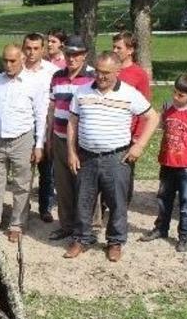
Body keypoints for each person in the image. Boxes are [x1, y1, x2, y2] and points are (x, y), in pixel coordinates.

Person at [64, 51, 159, 262]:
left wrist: (139, 146)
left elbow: (153, 117)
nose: (101, 76)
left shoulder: (129, 93)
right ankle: (80, 238)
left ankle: (115, 241)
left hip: (116, 157)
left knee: (117, 201)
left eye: (107, 72)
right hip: (86, 156)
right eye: (98, 71)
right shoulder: (82, 91)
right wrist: (71, 151)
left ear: (118, 71)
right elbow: (72, 122)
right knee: (83, 199)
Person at [0, 44, 47, 241]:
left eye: (12, 61)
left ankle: (17, 224)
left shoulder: (34, 82)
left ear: (22, 59)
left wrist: (39, 144)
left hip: (22, 139)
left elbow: (40, 115)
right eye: (5, 60)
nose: (8, 65)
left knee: (21, 185)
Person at [140, 75, 187, 252]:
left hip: (186, 165)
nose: (176, 97)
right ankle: (161, 228)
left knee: (185, 202)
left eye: (181, 95)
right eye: (175, 92)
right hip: (167, 162)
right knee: (163, 198)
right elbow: (163, 127)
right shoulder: (167, 107)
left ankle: (185, 235)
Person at [46, 36, 95, 241]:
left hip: (82, 141)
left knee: (85, 186)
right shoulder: (57, 76)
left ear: (84, 55)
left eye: (76, 55)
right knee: (63, 184)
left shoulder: (93, 77)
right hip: (59, 137)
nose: (72, 58)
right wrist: (49, 136)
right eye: (68, 54)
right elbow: (51, 107)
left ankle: (85, 228)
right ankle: (66, 225)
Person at [21, 32, 60, 224]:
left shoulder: (52, 71)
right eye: (28, 48)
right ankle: (22, 207)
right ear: (23, 48)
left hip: (46, 124)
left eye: (36, 48)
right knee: (24, 171)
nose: (31, 52)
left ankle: (45, 207)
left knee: (47, 171)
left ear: (43, 49)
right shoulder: (18, 69)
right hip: (24, 126)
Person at [113, 31, 151, 202]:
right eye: (113, 47)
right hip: (109, 131)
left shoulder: (139, 74)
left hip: (128, 135)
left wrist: (137, 138)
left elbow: (145, 109)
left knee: (124, 175)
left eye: (118, 47)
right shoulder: (110, 70)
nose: (114, 50)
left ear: (130, 50)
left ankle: (122, 208)